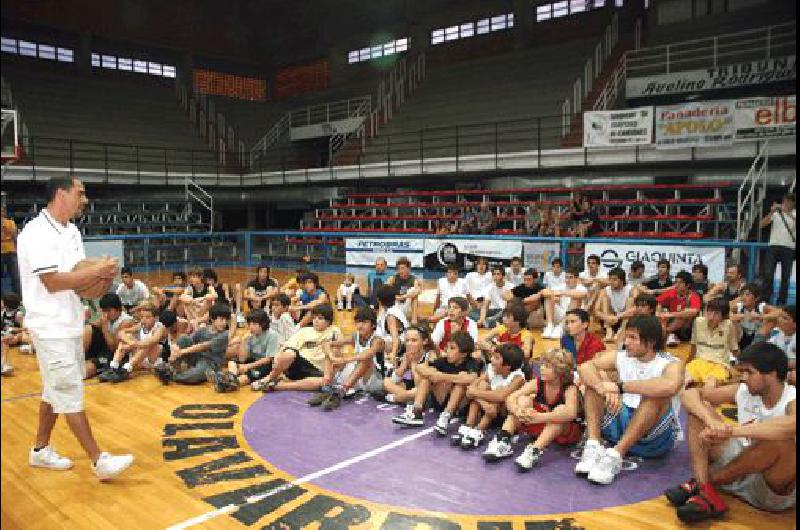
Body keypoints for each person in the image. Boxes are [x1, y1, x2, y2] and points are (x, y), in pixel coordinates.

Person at [17, 175, 133, 480]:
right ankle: (99, 461)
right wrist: (96, 270)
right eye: (80, 193)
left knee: (54, 390)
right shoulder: (36, 232)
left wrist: (103, 277)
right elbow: (52, 281)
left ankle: (40, 451)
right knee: (69, 392)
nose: (85, 199)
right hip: (49, 327)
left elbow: (82, 283)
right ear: (61, 194)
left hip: (69, 323)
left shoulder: (72, 231)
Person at [669, 342, 795, 523]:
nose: (743, 377)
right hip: (739, 464)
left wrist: (731, 431)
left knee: (780, 442)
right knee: (698, 413)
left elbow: (790, 425)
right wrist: (711, 421)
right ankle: (707, 492)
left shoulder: (792, 398)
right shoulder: (743, 390)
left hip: (769, 488)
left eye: (749, 372)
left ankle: (704, 483)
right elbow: (690, 395)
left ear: (772, 374)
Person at [575, 315, 683, 485]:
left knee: (655, 396)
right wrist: (602, 387)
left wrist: (619, 387)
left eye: (633, 338)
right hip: (623, 423)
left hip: (655, 438)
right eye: (626, 336)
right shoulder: (622, 356)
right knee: (592, 386)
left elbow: (670, 386)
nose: (627, 342)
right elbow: (585, 367)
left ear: (651, 341)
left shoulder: (671, 363)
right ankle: (593, 445)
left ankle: (616, 455)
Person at [484, 347, 582, 469]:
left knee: (561, 411)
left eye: (547, 366)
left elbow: (571, 413)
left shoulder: (569, 388)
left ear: (560, 371)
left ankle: (534, 451)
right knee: (522, 401)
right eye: (542, 364)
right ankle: (503, 440)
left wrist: (540, 417)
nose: (541, 368)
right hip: (539, 424)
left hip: (564, 430)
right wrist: (517, 411)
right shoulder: (538, 382)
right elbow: (511, 397)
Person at [392, 331, 480, 430]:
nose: (447, 351)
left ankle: (446, 416)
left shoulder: (472, 362)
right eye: (447, 347)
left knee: (461, 383)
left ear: (464, 354)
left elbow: (472, 378)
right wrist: (434, 374)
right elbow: (420, 368)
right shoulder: (444, 361)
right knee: (427, 379)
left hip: (461, 405)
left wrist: (442, 376)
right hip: (441, 400)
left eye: (452, 348)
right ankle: (416, 413)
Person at [307, 307, 386, 410]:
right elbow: (326, 344)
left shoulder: (377, 340)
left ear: (373, 325)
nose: (360, 325)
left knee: (365, 359)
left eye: (364, 322)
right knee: (334, 350)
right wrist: (332, 356)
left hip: (372, 380)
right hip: (356, 377)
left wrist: (343, 360)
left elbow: (366, 355)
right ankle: (326, 386)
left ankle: (342, 391)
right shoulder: (355, 336)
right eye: (358, 322)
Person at [250, 304, 342, 393]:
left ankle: (278, 386)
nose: (316, 321)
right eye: (314, 318)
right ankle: (269, 379)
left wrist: (331, 373)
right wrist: (277, 362)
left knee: (323, 382)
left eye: (320, 318)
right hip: (299, 364)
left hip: (318, 370)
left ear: (329, 321)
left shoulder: (334, 331)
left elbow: (336, 354)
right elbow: (285, 348)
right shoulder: (304, 331)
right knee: (289, 353)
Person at [451, 344, 526, 448]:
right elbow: (470, 390)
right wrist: (484, 403)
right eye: (492, 356)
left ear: (507, 366)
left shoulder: (518, 377)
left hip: (504, 415)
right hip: (488, 410)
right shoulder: (491, 369)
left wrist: (476, 393)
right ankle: (469, 425)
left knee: (498, 392)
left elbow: (500, 397)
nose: (491, 360)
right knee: (482, 385)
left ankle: (479, 430)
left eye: (496, 358)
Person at [155, 304, 232, 385]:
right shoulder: (203, 330)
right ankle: (170, 367)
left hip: (210, 364)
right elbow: (188, 340)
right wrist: (175, 349)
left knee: (196, 374)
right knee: (184, 338)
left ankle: (172, 376)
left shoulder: (225, 334)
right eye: (221, 319)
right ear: (212, 319)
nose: (224, 323)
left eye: (226, 320)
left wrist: (182, 352)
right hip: (197, 358)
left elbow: (204, 346)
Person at [207, 309, 280, 393]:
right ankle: (229, 380)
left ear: (263, 324)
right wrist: (243, 341)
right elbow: (242, 359)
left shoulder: (272, 335)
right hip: (252, 361)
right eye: (249, 324)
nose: (251, 327)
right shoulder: (249, 336)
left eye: (254, 324)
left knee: (245, 378)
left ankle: (225, 382)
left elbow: (268, 359)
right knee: (232, 363)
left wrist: (248, 366)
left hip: (265, 365)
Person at [101, 304, 167, 383]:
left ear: (156, 318)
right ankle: (113, 367)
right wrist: (130, 342)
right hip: (140, 359)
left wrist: (132, 345)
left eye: (147, 317)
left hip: (153, 360)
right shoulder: (141, 325)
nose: (144, 320)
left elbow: (153, 340)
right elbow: (121, 332)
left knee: (147, 343)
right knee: (126, 339)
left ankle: (125, 370)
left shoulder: (160, 327)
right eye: (142, 317)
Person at [686, 298, 740, 389]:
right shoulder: (698, 322)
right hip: (699, 362)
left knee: (709, 388)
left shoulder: (728, 325)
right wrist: (688, 362)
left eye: (716, 314)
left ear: (723, 316)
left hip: (719, 364)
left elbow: (734, 349)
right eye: (709, 312)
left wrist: (740, 368)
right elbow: (693, 345)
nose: (711, 317)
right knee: (682, 381)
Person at [84, 293, 136, 379]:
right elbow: (93, 325)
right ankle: (78, 357)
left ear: (118, 309)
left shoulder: (126, 322)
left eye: (108, 310)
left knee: (87, 369)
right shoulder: (108, 318)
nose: (106, 314)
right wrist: (86, 320)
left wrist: (105, 329)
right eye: (104, 310)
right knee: (88, 329)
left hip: (116, 356)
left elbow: (114, 348)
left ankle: (97, 366)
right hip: (104, 350)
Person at [383, 325, 435, 405]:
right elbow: (394, 380)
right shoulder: (406, 355)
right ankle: (407, 398)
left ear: (424, 341)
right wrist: (404, 364)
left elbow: (420, 384)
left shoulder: (430, 355)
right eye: (407, 340)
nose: (409, 344)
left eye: (414, 340)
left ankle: (397, 398)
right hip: (409, 390)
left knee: (418, 390)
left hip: (424, 391)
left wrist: (413, 362)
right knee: (386, 381)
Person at [759, 193, 796, 305]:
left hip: (789, 248)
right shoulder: (776, 213)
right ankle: (765, 299)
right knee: (768, 274)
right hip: (773, 246)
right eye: (785, 201)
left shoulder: (794, 213)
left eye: (789, 201)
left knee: (785, 276)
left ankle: (781, 301)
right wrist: (771, 212)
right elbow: (761, 224)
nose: (786, 203)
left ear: (793, 203)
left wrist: (785, 211)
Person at [541, 267, 588, 340]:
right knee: (548, 297)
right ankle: (549, 326)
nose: (568, 280)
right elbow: (544, 292)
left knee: (575, 298)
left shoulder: (581, 288)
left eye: (570, 277)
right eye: (566, 277)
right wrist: (553, 295)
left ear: (576, 279)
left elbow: (581, 294)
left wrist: (562, 293)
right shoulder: (561, 286)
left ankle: (561, 328)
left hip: (575, 317)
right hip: (561, 314)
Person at [657, 271, 702, 347]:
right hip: (671, 322)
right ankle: (667, 335)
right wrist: (659, 312)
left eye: (680, 283)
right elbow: (657, 302)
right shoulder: (672, 292)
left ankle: (665, 333)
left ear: (688, 285)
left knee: (682, 315)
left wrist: (670, 314)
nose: (677, 285)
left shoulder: (694, 296)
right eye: (676, 282)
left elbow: (694, 311)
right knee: (661, 314)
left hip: (686, 327)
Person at [374, 284, 409, 384]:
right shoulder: (388, 309)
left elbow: (395, 337)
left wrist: (393, 353)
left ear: (379, 300)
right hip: (396, 342)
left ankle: (384, 369)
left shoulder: (391, 315)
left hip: (401, 345)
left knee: (377, 343)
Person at [594, 267, 634, 343]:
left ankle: (621, 331)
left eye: (614, 280)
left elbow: (635, 309)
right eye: (610, 279)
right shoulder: (605, 290)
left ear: (622, 280)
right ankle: (609, 331)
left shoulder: (631, 289)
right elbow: (596, 311)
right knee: (604, 299)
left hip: (625, 321)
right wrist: (606, 317)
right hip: (609, 321)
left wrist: (618, 316)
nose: (611, 282)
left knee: (630, 300)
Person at [560, 308, 605, 373]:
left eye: (573, 322)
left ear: (585, 325)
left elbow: (592, 368)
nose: (568, 326)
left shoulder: (596, 344)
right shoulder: (565, 339)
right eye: (567, 323)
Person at [730, 283, 773, 350]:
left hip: (757, 339)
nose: (744, 297)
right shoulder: (738, 306)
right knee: (730, 322)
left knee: (770, 323)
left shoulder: (762, 307)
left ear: (756, 298)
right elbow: (723, 308)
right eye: (742, 294)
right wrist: (733, 317)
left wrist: (760, 317)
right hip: (742, 337)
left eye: (747, 295)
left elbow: (779, 313)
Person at [387, 256, 422, 325]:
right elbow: (384, 290)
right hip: (395, 303)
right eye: (399, 269)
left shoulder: (414, 279)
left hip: (406, 305)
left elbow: (417, 291)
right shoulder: (393, 278)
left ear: (409, 269)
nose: (400, 271)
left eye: (402, 268)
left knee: (413, 292)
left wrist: (403, 297)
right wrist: (395, 297)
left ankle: (414, 321)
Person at [766, 306, 796, 386]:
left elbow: (793, 363)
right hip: (780, 370)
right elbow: (766, 349)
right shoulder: (778, 334)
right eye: (780, 316)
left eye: (785, 318)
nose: (779, 320)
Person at [1, 205, 20, 294]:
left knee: (15, 275)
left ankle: (18, 296)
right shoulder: (10, 222)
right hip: (6, 250)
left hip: (10, 250)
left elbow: (15, 236)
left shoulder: (10, 222)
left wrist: (16, 248)